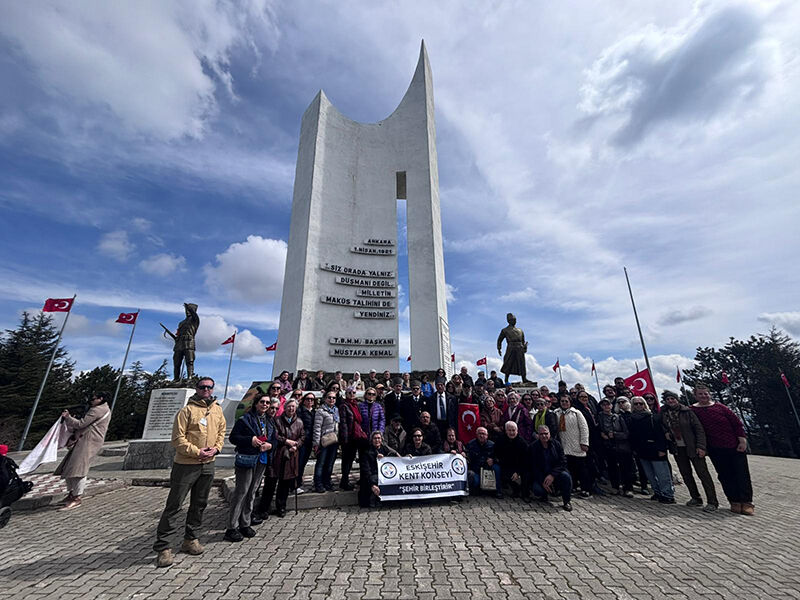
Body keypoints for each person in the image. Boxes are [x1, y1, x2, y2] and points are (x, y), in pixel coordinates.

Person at [153, 377, 226, 568]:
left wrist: (216, 449)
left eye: (209, 387)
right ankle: (163, 546)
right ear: (197, 389)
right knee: (175, 504)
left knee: (199, 503)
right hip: (186, 464)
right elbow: (177, 439)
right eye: (202, 387)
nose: (206, 390)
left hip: (208, 464)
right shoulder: (186, 411)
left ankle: (190, 539)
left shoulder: (217, 409)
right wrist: (197, 452)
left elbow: (221, 432)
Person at [691, 384, 753, 515]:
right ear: (695, 395)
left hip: (734, 446)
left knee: (742, 474)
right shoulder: (693, 410)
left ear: (710, 394)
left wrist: (742, 439)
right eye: (700, 394)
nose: (704, 396)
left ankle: (747, 502)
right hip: (715, 448)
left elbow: (737, 424)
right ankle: (734, 500)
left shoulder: (720, 407)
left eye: (706, 393)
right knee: (725, 475)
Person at [225, 393, 275, 542]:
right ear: (255, 403)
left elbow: (274, 439)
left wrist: (270, 445)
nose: (265, 405)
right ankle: (231, 527)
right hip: (247, 459)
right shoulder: (245, 419)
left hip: (262, 459)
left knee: (252, 491)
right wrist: (250, 440)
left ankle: (245, 523)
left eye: (267, 403)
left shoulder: (269, 421)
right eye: (262, 402)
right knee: (241, 492)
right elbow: (233, 438)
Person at [662, 390, 718, 512]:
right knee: (686, 474)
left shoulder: (687, 412)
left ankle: (712, 501)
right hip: (678, 448)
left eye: (673, 398)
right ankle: (695, 497)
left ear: (677, 399)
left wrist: (701, 446)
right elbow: (664, 427)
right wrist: (666, 433)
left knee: (703, 475)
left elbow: (699, 430)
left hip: (693, 447)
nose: (671, 401)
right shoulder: (665, 414)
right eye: (668, 399)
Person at [55, 391, 112, 510]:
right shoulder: (104, 409)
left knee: (79, 469)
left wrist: (68, 418)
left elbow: (81, 424)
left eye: (94, 398)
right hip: (87, 441)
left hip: (87, 441)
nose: (91, 400)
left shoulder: (96, 410)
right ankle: (72, 494)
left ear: (101, 399)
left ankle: (76, 497)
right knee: (71, 468)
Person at [628, 396, 674, 504]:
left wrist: (662, 449)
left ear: (645, 405)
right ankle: (657, 492)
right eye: (636, 404)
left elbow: (660, 434)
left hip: (655, 449)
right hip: (642, 451)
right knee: (650, 474)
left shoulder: (653, 417)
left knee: (662, 474)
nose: (638, 406)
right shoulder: (631, 419)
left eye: (641, 403)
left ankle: (667, 494)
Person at [528, 425, 573, 511]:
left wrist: (552, 475)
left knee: (566, 477)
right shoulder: (533, 447)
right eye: (541, 434)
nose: (544, 436)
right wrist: (542, 481)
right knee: (537, 490)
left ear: (549, 434)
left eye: (546, 433)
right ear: (538, 435)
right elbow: (533, 467)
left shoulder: (557, 444)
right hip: (542, 475)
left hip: (556, 473)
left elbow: (563, 462)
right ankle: (544, 494)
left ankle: (566, 501)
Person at [273, 398, 305, 516]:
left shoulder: (299, 422)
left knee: (286, 482)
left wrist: (296, 445)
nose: (291, 409)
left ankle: (282, 506)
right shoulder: (278, 421)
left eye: (293, 407)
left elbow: (302, 436)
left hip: (292, 454)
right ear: (285, 407)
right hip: (280, 453)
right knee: (277, 480)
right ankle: (274, 506)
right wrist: (287, 442)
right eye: (289, 406)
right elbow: (276, 435)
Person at [554, 394, 591, 498]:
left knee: (581, 469)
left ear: (570, 402)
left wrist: (584, 442)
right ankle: (572, 487)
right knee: (569, 469)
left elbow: (584, 428)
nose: (564, 403)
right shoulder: (556, 413)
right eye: (562, 401)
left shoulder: (576, 413)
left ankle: (585, 488)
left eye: (566, 401)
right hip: (564, 445)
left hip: (577, 445)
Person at [597, 398, 634, 497]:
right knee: (612, 468)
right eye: (603, 405)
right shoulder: (599, 417)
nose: (606, 406)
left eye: (607, 404)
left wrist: (615, 435)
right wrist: (602, 434)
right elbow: (598, 429)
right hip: (608, 447)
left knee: (625, 468)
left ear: (611, 406)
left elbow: (626, 433)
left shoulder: (618, 417)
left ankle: (628, 488)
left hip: (621, 446)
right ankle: (615, 487)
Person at [253, 398, 281, 521]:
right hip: (258, 457)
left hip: (270, 457)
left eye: (276, 408)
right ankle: (249, 512)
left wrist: (271, 445)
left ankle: (263, 509)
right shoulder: (259, 420)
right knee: (253, 486)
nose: (273, 410)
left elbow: (275, 439)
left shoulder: (274, 422)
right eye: (271, 407)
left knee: (269, 484)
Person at [359, 431, 398, 508]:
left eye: (379, 438)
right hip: (372, 476)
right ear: (371, 440)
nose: (377, 440)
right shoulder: (366, 452)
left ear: (382, 440)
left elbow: (395, 459)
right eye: (375, 438)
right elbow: (366, 471)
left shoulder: (385, 449)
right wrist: (372, 485)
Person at [338, 387, 366, 490]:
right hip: (348, 437)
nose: (352, 394)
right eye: (349, 392)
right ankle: (344, 481)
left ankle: (346, 480)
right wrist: (345, 439)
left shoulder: (356, 405)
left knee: (351, 459)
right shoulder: (344, 405)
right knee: (347, 460)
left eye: (353, 392)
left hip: (355, 436)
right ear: (346, 394)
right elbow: (343, 423)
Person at [312, 391, 339, 493]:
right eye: (329, 397)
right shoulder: (320, 411)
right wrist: (316, 443)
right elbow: (317, 428)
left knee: (330, 463)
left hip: (334, 440)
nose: (331, 399)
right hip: (324, 441)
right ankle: (318, 483)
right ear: (325, 398)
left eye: (333, 398)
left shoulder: (336, 410)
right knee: (321, 463)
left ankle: (327, 482)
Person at [494, 422, 528, 498]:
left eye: (513, 430)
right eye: (509, 430)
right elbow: (495, 453)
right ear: (506, 431)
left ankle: (524, 492)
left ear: (517, 431)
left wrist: (518, 472)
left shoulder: (522, 443)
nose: (512, 432)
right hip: (506, 466)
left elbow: (525, 460)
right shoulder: (500, 440)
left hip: (520, 467)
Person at [465, 427, 502, 498]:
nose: (481, 436)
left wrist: (493, 460)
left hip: (488, 471)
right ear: (476, 435)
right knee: (474, 479)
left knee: (497, 467)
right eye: (479, 434)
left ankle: (498, 491)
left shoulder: (493, 445)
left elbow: (499, 457)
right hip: (476, 471)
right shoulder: (470, 444)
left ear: (487, 436)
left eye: (483, 434)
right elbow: (467, 457)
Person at [295, 392, 316, 492]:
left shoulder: (314, 412)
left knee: (303, 464)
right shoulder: (300, 411)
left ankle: (299, 482)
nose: (310, 401)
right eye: (308, 399)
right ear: (304, 400)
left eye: (312, 399)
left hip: (310, 441)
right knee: (298, 463)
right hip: (302, 441)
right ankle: (295, 485)